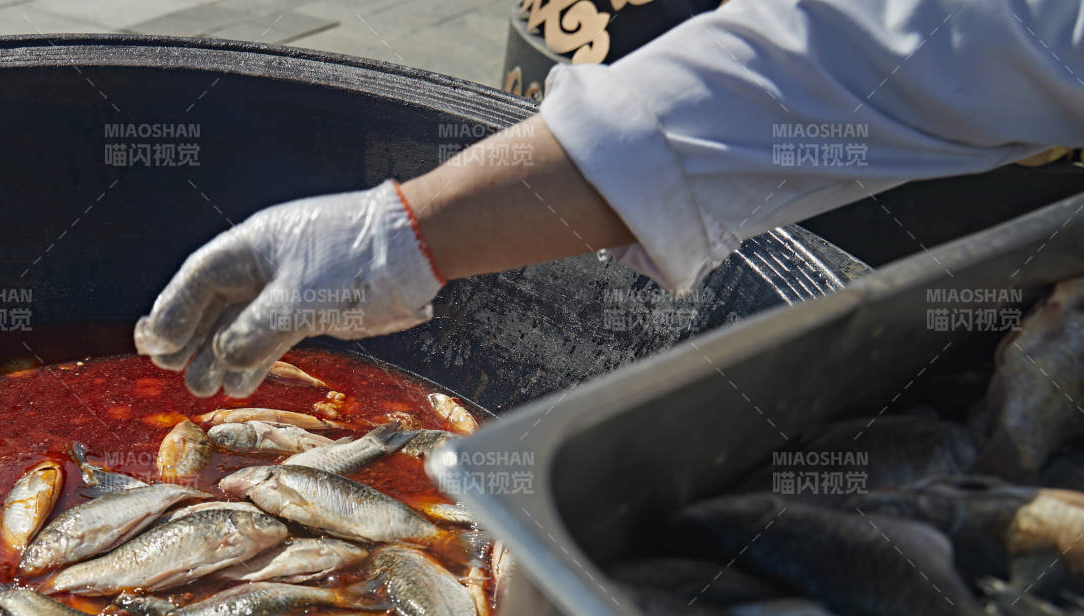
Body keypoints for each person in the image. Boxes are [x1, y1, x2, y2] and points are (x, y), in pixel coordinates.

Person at [134, 0, 1084, 397]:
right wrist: (406, 232)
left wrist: (403, 235)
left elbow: (899, 49)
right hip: (611, 80)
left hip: (915, 200)